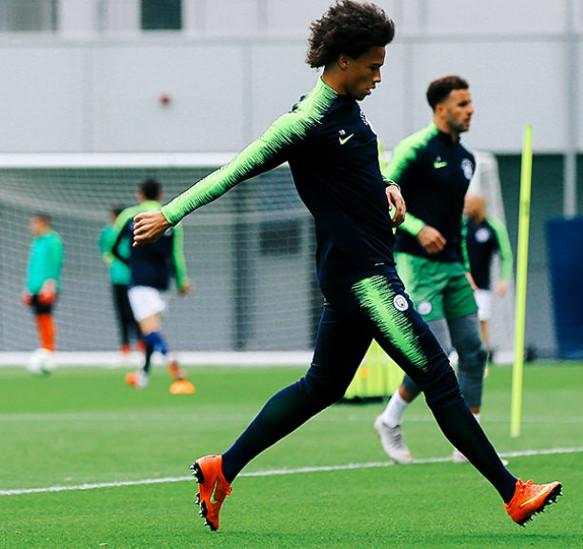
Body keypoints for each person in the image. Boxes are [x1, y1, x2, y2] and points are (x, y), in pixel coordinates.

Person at [131, 2, 559, 531]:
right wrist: (170, 214)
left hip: (355, 271)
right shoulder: (305, 122)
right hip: (364, 277)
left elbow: (352, 170)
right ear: (342, 60)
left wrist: (387, 185)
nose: (378, 77)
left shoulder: (349, 110)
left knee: (323, 386)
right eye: (372, 66)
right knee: (438, 376)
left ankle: (222, 469)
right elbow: (235, 169)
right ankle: (513, 492)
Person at [373, 75, 492, 466]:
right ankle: (390, 420)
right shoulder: (415, 148)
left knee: (474, 351)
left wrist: (465, 267)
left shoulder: (467, 159)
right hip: (416, 264)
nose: (470, 110)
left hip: (453, 266)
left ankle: (469, 445)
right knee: (436, 352)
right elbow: (381, 196)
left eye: (470, 103)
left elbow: (456, 221)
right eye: (462, 104)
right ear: (441, 109)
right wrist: (417, 227)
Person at [112, 178, 194, 393]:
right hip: (162, 282)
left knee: (149, 331)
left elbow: (113, 247)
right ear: (160, 195)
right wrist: (181, 281)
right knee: (152, 330)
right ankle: (143, 376)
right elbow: (176, 255)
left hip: (140, 281)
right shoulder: (171, 217)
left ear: (140, 194)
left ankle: (171, 361)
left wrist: (130, 263)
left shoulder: (129, 216)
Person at [463, 190, 513, 355]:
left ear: (479, 205)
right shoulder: (462, 226)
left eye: (469, 204)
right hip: (461, 283)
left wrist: (503, 279)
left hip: (482, 284)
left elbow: (506, 255)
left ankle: (482, 355)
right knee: (461, 319)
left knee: (482, 320)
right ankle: (460, 352)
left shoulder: (493, 226)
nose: (465, 207)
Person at [99, 205, 142, 364]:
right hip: (117, 278)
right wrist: (111, 261)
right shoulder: (108, 232)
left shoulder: (131, 229)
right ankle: (125, 348)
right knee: (122, 314)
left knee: (136, 313)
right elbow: (105, 249)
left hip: (133, 278)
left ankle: (141, 346)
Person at [21, 213, 63, 374]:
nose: (32, 227)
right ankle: (44, 347)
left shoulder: (53, 240)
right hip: (34, 287)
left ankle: (49, 349)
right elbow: (33, 267)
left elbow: (56, 262)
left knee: (46, 316)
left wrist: (50, 284)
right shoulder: (36, 242)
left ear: (44, 223)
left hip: (47, 287)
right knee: (39, 318)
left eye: (35, 223)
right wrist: (28, 288)